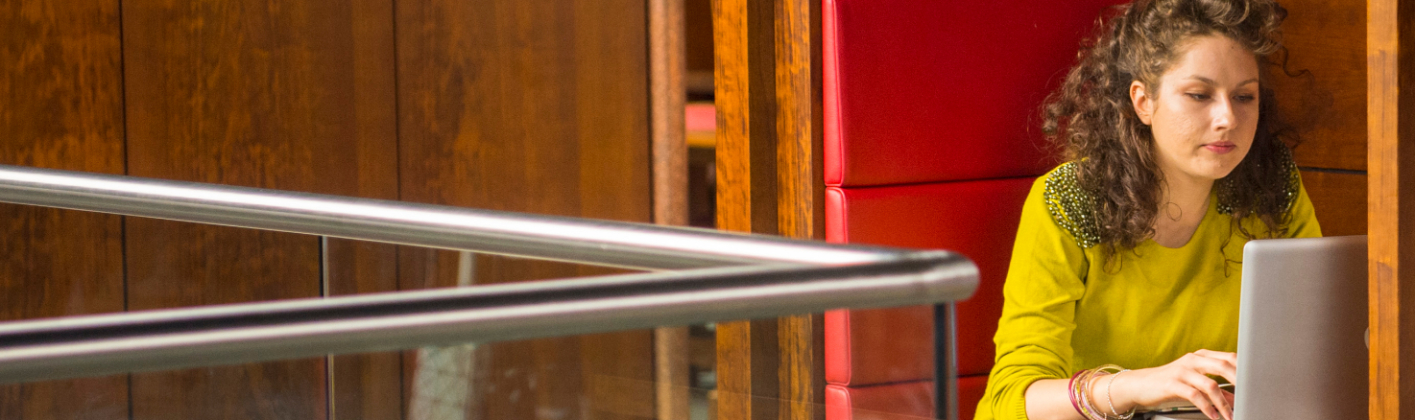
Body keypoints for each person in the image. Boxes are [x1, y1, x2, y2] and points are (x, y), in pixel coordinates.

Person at [973, 1, 1320, 419]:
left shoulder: (1272, 184)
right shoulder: (1070, 198)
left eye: (1245, 96)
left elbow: (1317, 352)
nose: (1228, 117)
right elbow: (1012, 401)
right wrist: (1136, 386)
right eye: (1198, 95)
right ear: (1143, 101)